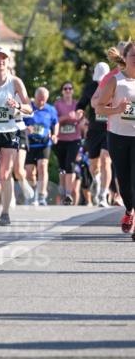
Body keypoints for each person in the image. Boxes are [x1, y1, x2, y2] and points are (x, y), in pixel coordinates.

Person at [0, 47, 33, 226]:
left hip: (10, 132)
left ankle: (5, 213)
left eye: (4, 58)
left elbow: (29, 108)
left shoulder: (15, 82)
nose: (0, 61)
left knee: (5, 174)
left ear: (8, 62)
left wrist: (17, 106)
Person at [95, 41, 135, 235]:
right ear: (125, 58)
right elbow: (99, 107)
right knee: (124, 180)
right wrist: (117, 109)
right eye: (133, 55)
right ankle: (129, 210)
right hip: (118, 136)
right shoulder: (115, 80)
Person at [77, 62, 112, 207]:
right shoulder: (90, 87)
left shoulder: (114, 85)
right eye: (98, 79)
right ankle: (97, 181)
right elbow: (81, 104)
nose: (100, 82)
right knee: (93, 165)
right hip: (94, 130)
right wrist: (80, 112)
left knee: (105, 160)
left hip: (110, 129)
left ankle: (103, 195)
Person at [24, 87, 59, 205]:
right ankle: (33, 192)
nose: (41, 102)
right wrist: (26, 129)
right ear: (35, 97)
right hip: (30, 143)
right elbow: (19, 122)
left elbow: (56, 123)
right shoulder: (28, 108)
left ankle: (41, 195)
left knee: (42, 166)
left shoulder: (51, 109)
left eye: (44, 100)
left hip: (44, 143)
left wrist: (54, 135)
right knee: (29, 172)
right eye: (39, 99)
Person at [53, 81, 84, 204]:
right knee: (62, 167)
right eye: (65, 88)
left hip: (74, 140)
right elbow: (54, 120)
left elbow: (81, 119)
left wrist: (78, 117)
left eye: (70, 88)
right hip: (61, 140)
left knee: (70, 164)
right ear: (62, 91)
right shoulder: (57, 104)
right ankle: (62, 189)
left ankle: (68, 194)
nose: (68, 91)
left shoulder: (77, 104)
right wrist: (66, 117)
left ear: (73, 91)